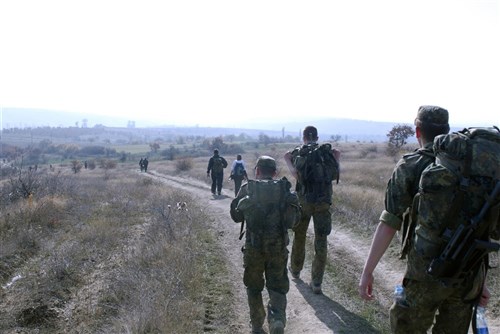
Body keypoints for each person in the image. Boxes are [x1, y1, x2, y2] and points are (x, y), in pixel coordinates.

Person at [358, 106, 490, 333]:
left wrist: (368, 271)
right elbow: (479, 225)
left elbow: (389, 222)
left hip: (425, 274)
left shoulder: (411, 166)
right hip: (468, 274)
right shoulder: (471, 168)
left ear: (418, 132)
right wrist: (481, 280)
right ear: (447, 130)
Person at [230, 156, 300, 334]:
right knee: (277, 286)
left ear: (258, 171)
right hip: (277, 248)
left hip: (254, 248)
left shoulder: (248, 188)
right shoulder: (284, 189)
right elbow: (295, 221)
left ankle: (257, 323)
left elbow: (236, 216)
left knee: (254, 286)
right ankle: (276, 320)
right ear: (274, 172)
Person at [284, 125, 340, 294]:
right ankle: (316, 282)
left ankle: (295, 269)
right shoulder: (327, 153)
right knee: (321, 240)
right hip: (323, 202)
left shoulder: (298, 152)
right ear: (317, 137)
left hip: (304, 201)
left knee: (299, 235)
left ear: (304, 138)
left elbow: (294, 172)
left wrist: (289, 162)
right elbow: (336, 170)